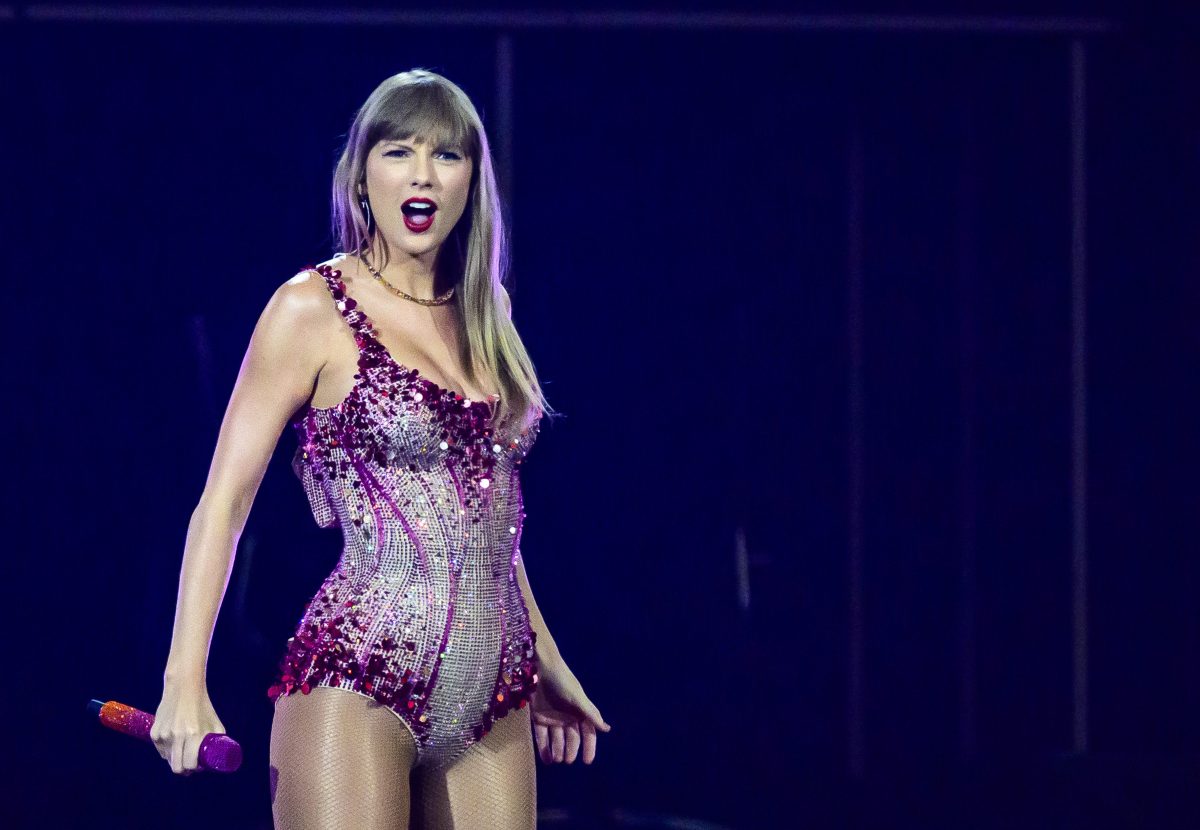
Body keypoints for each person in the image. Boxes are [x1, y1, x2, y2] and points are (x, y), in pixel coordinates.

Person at [150, 68, 610, 829]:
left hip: (494, 691)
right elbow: (223, 503)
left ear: (471, 182)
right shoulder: (311, 308)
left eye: (446, 155)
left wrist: (546, 659)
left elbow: (490, 514)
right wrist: (183, 680)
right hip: (358, 679)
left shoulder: (488, 313)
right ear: (362, 177)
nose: (423, 174)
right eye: (399, 152)